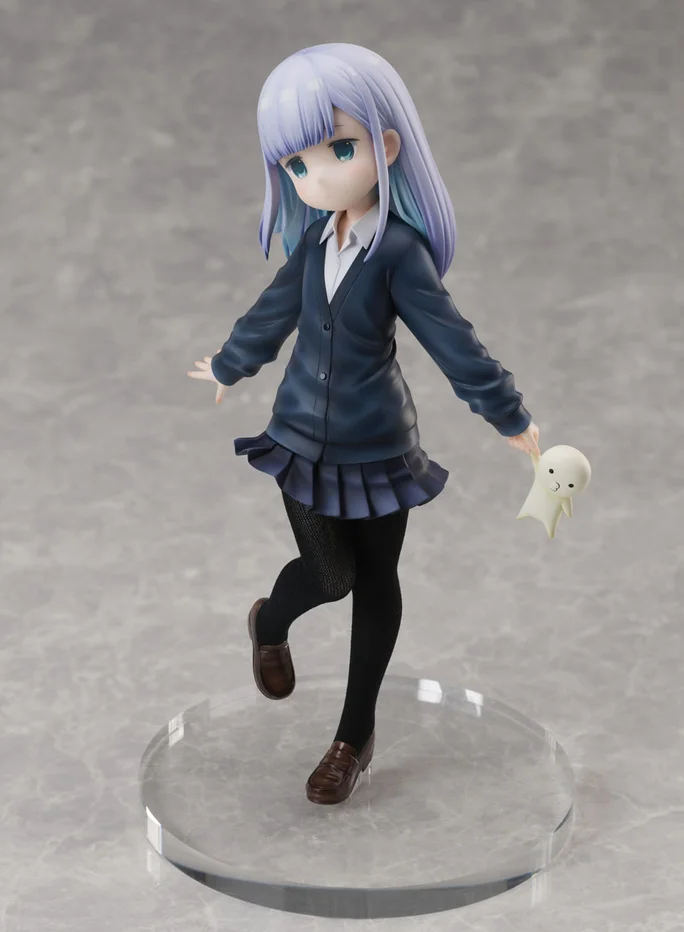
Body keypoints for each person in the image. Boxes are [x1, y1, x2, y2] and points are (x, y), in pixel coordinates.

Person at [188, 43, 540, 805]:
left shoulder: (398, 252)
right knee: (329, 575)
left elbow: (452, 339)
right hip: (299, 438)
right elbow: (274, 310)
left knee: (377, 581)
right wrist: (231, 364)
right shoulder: (315, 242)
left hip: (379, 443)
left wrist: (506, 412)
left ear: (386, 145)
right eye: (295, 164)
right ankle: (270, 622)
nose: (315, 177)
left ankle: (353, 737)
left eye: (339, 150)